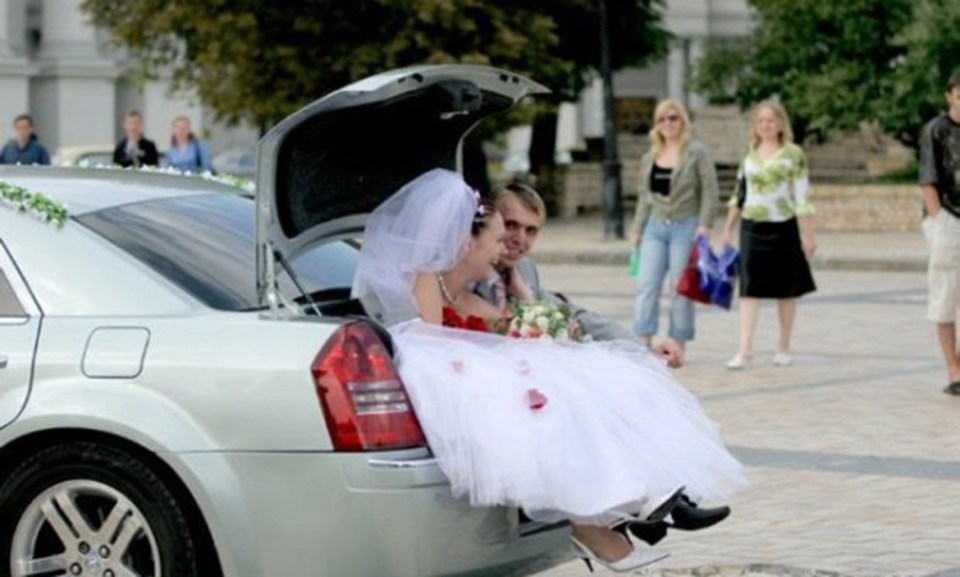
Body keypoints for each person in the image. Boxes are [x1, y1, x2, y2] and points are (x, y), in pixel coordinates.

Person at [353, 168, 745, 573]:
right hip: (470, 376)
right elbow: (430, 336)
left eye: (531, 231)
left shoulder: (521, 274)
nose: (514, 242)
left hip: (505, 363)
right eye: (508, 230)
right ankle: (610, 518)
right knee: (566, 400)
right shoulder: (441, 276)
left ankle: (653, 502)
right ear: (475, 234)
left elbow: (567, 316)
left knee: (614, 380)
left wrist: (638, 348)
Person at [481, 182, 683, 367]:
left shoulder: (525, 269)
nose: (520, 239)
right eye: (511, 225)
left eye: (531, 230)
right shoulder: (468, 271)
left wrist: (643, 351)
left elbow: (576, 316)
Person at [720, 101, 816, 369]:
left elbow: (802, 197)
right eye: (760, 121)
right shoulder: (749, 153)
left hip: (783, 226)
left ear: (781, 124)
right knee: (749, 289)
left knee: (786, 289)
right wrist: (728, 227)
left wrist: (808, 234)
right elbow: (739, 193)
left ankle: (783, 346)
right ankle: (745, 349)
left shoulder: (793, 154)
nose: (766, 125)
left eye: (771, 120)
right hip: (752, 226)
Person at [628, 100, 719, 362]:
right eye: (662, 119)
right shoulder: (650, 156)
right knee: (647, 286)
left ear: (683, 121)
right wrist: (637, 230)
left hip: (685, 225)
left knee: (681, 289)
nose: (668, 123)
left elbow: (710, 191)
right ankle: (644, 343)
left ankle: (677, 344)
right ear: (656, 125)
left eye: (673, 118)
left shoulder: (696, 152)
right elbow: (644, 198)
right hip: (655, 226)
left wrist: (705, 225)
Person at [919, 70, 960, 396]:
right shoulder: (936, 130)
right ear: (949, 95)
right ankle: (952, 369)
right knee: (946, 296)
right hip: (948, 218)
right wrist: (938, 226)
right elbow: (928, 181)